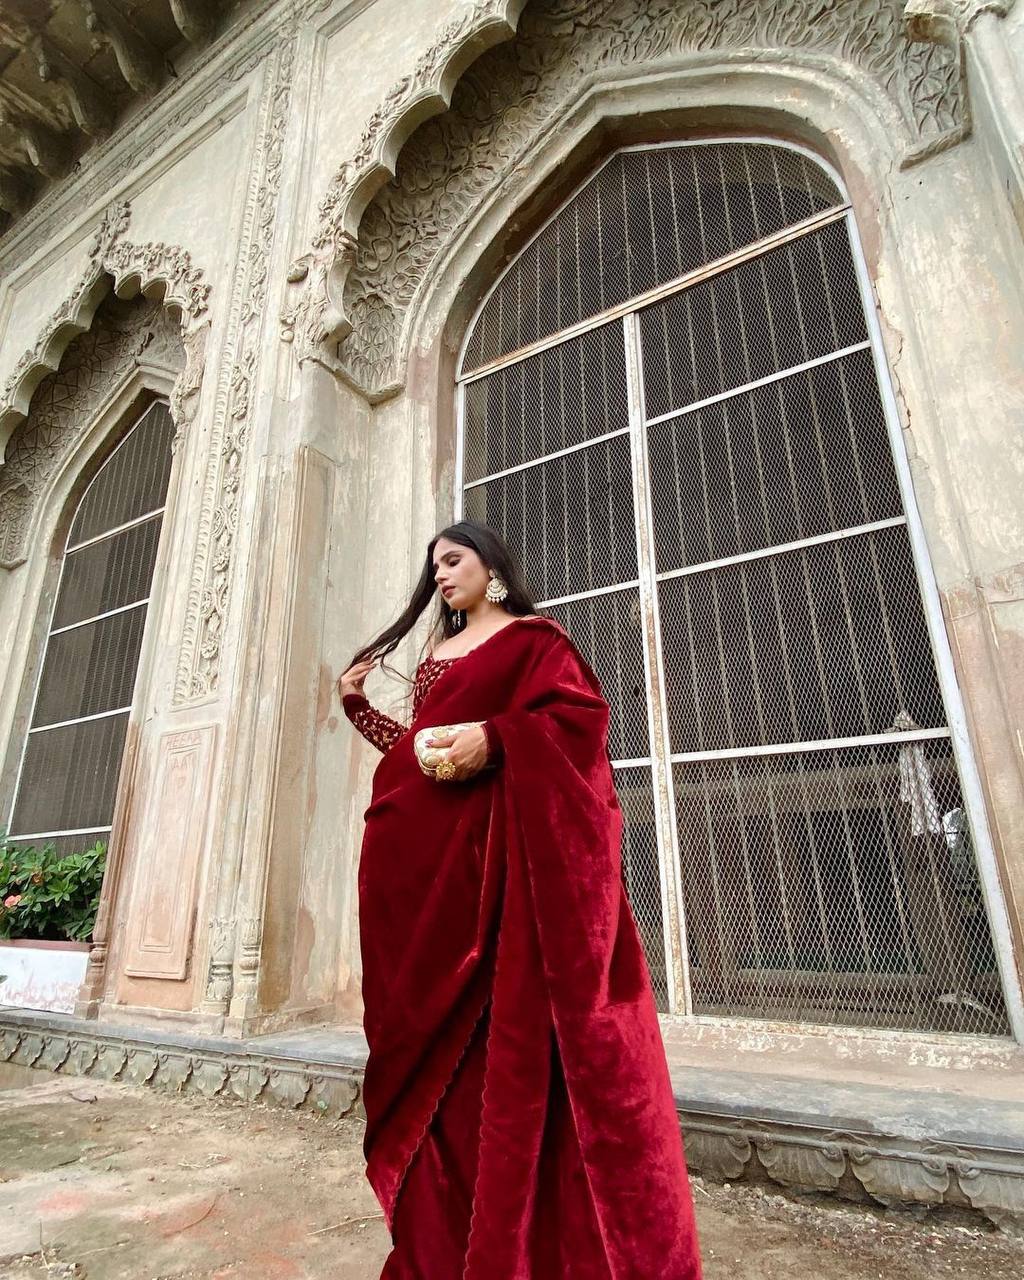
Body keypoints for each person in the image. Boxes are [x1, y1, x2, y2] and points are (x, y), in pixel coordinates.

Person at [338, 520, 702, 1279]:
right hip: (414, 886)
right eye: (432, 565)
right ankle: (444, 1233)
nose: (439, 575)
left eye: (453, 560)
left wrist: (500, 740)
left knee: (490, 1056)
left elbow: (576, 724)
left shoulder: (536, 643)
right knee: (421, 1063)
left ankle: (520, 1233)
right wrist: (360, 710)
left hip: (490, 888)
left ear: (491, 568)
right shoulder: (436, 654)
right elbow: (425, 750)